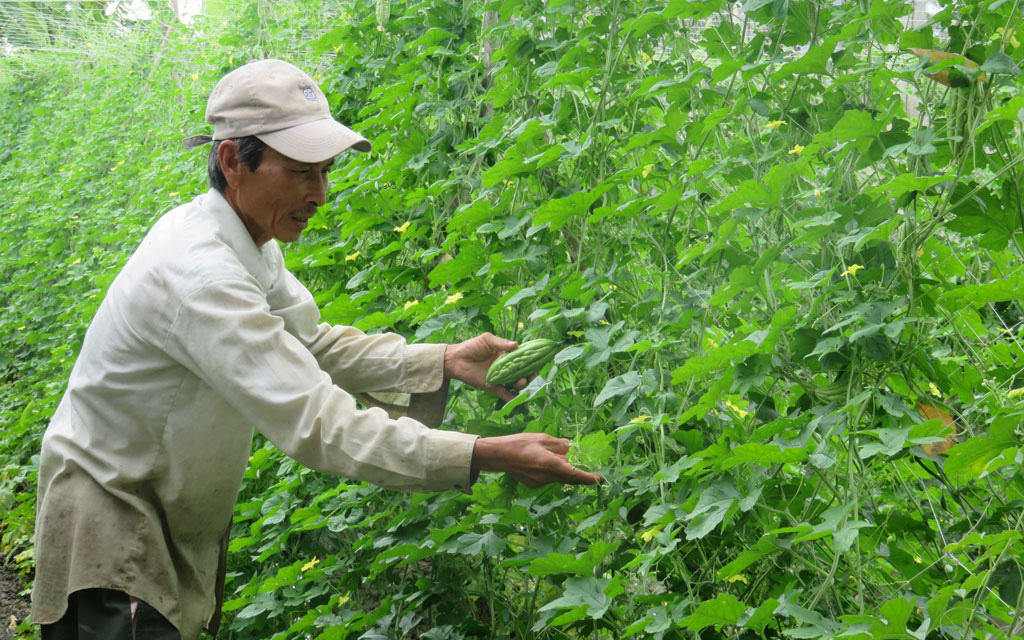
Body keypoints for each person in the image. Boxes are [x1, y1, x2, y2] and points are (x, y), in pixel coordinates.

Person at [30, 59, 601, 640]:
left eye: (325, 171)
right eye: (302, 172)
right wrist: (484, 452)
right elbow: (317, 423)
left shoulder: (245, 242)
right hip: (117, 524)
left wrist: (443, 359)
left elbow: (313, 344)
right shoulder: (202, 276)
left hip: (160, 509)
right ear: (232, 161)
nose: (320, 195)